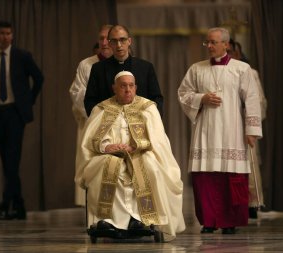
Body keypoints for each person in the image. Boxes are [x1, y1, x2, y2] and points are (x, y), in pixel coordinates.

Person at [76, 71, 185, 239]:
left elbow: (158, 139)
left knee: (149, 168)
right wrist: (108, 146)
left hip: (141, 153)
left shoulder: (148, 107)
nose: (127, 90)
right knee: (107, 167)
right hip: (110, 155)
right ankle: (107, 220)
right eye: (123, 86)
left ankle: (141, 220)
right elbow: (91, 139)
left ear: (136, 88)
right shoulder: (102, 108)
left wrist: (137, 145)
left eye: (131, 86)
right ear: (114, 88)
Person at [178, 27, 262, 234]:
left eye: (214, 42)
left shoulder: (242, 69)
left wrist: (251, 130)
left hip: (232, 131)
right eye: (207, 42)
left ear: (226, 44)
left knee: (231, 178)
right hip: (206, 131)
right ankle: (208, 221)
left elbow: (252, 99)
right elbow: (183, 93)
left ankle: (229, 222)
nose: (209, 46)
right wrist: (201, 98)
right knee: (205, 179)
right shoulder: (196, 69)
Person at [0, 21, 44, 219]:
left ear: (12, 36)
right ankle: (19, 205)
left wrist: (28, 102)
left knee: (12, 157)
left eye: (9, 33)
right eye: (2, 33)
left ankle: (5, 202)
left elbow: (39, 78)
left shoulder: (22, 56)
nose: (5, 36)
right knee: (6, 160)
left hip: (15, 113)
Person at [69, 25, 113, 206]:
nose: (103, 43)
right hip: (93, 123)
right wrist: (100, 111)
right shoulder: (86, 65)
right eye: (101, 38)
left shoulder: (126, 64)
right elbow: (77, 94)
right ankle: (94, 212)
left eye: (107, 38)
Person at [84, 25, 163, 116]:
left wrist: (152, 120)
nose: (119, 45)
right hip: (109, 125)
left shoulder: (146, 68)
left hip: (140, 123)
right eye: (114, 41)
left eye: (122, 40)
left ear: (129, 41)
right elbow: (90, 101)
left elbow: (157, 99)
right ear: (109, 44)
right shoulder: (98, 69)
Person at [228, 39, 268, 218]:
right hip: (225, 126)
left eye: (231, 52)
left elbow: (258, 100)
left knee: (249, 165)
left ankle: (252, 203)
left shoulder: (249, 72)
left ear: (237, 54)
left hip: (243, 124)